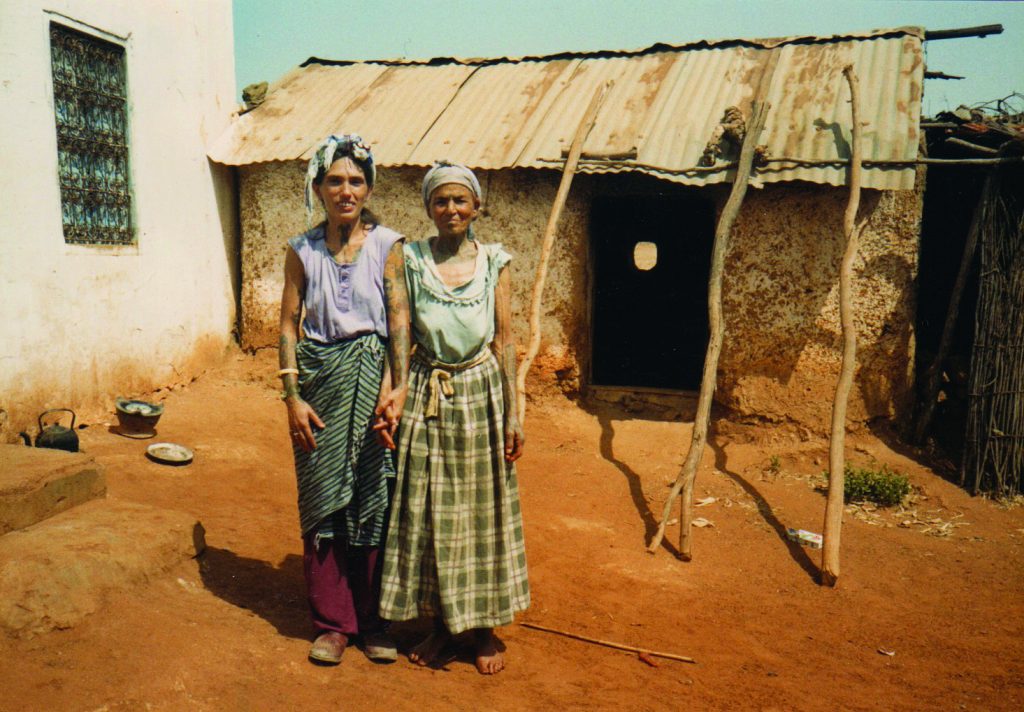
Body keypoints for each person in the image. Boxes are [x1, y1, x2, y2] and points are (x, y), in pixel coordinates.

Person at [376, 161, 529, 675]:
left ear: (476, 206)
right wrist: (396, 395)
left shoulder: (495, 262)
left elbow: (505, 340)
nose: (451, 209)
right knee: (430, 508)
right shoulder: (407, 259)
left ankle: (482, 629)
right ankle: (442, 624)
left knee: (482, 511)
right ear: (428, 208)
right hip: (426, 389)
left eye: (460, 200)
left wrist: (514, 412)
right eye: (440, 201)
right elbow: (400, 335)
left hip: (482, 392)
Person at [278, 134, 410, 666]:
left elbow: (399, 320)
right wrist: (291, 396)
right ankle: (333, 624)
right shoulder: (301, 249)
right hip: (319, 387)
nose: (346, 190)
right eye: (335, 180)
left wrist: (397, 387)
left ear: (370, 187)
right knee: (322, 504)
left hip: (375, 387)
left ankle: (373, 620)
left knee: (373, 500)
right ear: (319, 187)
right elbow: (288, 323)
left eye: (356, 180)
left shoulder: (388, 245)